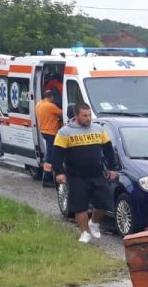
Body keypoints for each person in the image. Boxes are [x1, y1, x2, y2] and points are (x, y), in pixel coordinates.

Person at [48, 103, 120, 244]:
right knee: (79, 206)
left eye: (89, 115)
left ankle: (94, 223)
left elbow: (108, 151)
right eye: (84, 116)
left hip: (97, 173)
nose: (88, 118)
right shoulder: (65, 132)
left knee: (104, 203)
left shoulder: (98, 130)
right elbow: (57, 154)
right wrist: (58, 172)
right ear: (76, 116)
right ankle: (85, 232)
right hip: (76, 176)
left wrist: (112, 168)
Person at [35, 89, 63, 187]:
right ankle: (47, 178)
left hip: (44, 132)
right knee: (50, 157)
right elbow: (61, 113)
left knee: (49, 155)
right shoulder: (50, 106)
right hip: (51, 132)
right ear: (51, 97)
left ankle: (47, 176)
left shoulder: (39, 104)